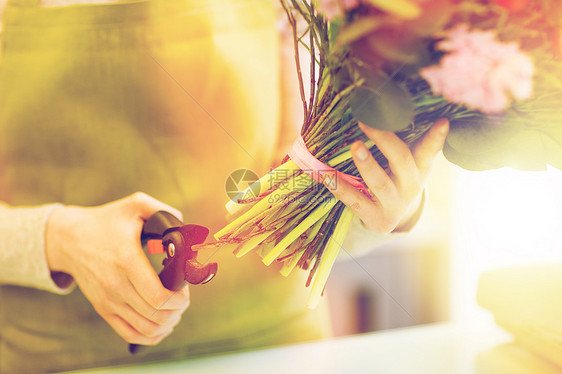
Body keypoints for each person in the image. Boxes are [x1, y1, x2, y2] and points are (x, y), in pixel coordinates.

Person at [0, 0, 449, 372]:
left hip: (270, 349)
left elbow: (307, 181)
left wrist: (386, 209)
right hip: (58, 356)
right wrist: (55, 239)